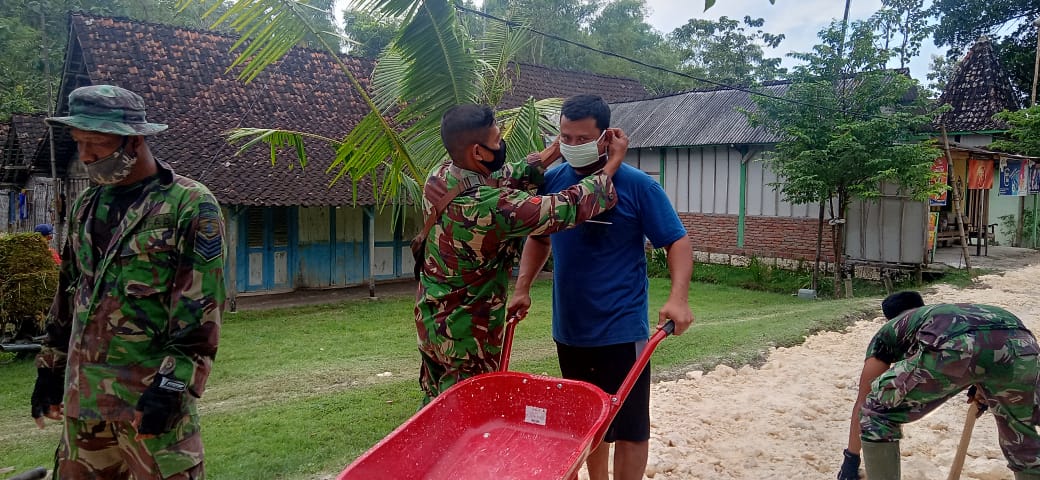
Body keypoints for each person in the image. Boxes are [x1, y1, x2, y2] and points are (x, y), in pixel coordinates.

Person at [31, 84, 226, 479]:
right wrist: (49, 369)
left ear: (134, 140)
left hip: (148, 407)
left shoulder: (188, 204)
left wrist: (171, 389)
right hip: (84, 409)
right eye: (79, 142)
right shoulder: (87, 206)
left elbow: (199, 316)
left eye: (97, 143)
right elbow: (68, 295)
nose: (86, 155)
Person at [508, 94, 695, 480]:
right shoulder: (554, 182)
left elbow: (676, 240)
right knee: (587, 423)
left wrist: (678, 298)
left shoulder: (637, 186)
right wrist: (522, 287)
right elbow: (539, 238)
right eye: (565, 137)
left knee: (629, 427)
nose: (572, 145)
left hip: (620, 330)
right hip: (570, 329)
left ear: (605, 137)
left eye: (582, 139)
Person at [415, 104, 625, 404]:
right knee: (467, 413)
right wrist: (611, 166)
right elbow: (565, 207)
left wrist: (556, 149)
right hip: (465, 337)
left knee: (435, 405)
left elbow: (505, 174)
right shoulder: (490, 206)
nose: (501, 145)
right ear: (478, 152)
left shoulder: (440, 176)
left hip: (432, 322)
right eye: (497, 140)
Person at [838, 291, 1040, 480]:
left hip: (956, 343)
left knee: (877, 410)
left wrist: (851, 460)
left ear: (889, 319)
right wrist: (985, 383)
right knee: (1020, 431)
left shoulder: (890, 330)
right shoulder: (938, 314)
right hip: (1021, 342)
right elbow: (987, 343)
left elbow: (864, 399)